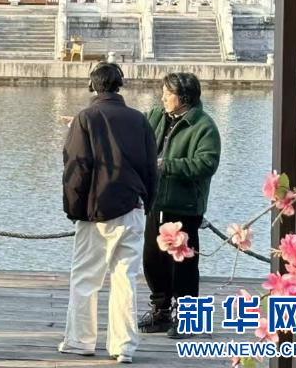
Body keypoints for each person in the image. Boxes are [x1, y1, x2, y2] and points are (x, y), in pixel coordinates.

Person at [59, 63, 157, 364]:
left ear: (92, 86)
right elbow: (151, 168)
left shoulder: (85, 118)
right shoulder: (139, 120)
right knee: (125, 279)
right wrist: (147, 202)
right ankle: (124, 345)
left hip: (95, 209)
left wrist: (74, 209)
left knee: (86, 278)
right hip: (132, 206)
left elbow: (76, 168)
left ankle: (80, 340)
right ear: (120, 85)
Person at [139, 73, 221, 338]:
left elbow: (207, 164)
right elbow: (132, 129)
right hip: (155, 203)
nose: (162, 97)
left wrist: (167, 165)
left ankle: (190, 320)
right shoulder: (156, 115)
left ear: (184, 98)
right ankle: (161, 313)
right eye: (163, 91)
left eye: (168, 93)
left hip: (184, 206)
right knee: (152, 260)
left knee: (184, 266)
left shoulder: (204, 126)